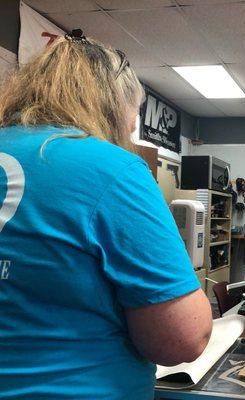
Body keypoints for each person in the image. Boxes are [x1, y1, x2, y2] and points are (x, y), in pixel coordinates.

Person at [0, 31, 212, 399]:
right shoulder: (112, 168)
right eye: (132, 116)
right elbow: (182, 339)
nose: (130, 129)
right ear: (112, 104)